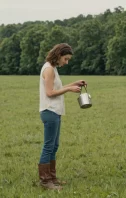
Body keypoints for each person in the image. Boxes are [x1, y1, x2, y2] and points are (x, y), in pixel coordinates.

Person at [38, 43, 86, 190]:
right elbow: (50, 93)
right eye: (65, 59)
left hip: (55, 111)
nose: (66, 62)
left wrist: (74, 84)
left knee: (54, 146)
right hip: (49, 111)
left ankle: (52, 178)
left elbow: (57, 88)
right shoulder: (49, 69)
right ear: (58, 55)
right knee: (48, 146)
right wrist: (70, 89)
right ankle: (45, 181)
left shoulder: (52, 68)